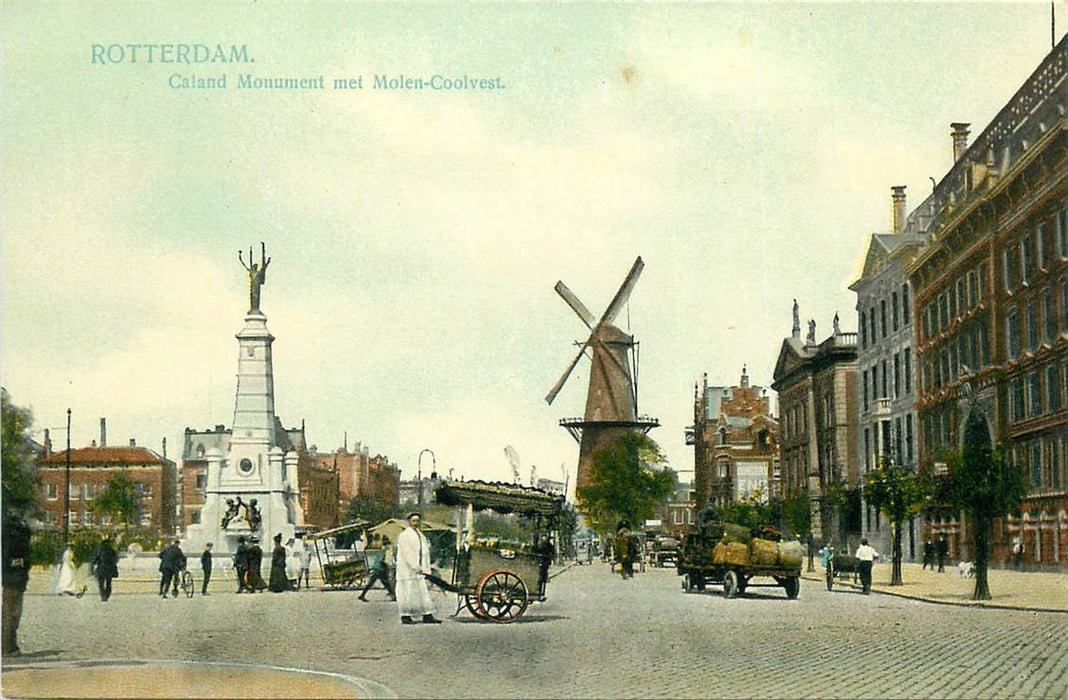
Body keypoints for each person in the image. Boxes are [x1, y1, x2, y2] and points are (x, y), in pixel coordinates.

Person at [395, 513, 440, 624]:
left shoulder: (420, 535)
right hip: (408, 570)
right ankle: (405, 616)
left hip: (419, 570)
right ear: (409, 522)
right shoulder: (405, 535)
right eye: (414, 521)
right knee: (407, 593)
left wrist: (425, 567)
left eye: (418, 521)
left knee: (422, 592)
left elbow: (424, 552)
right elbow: (407, 553)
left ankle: (427, 615)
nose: (416, 523)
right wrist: (415, 566)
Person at [2, 511, 32, 656]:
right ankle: (7, 647)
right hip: (13, 578)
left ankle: (9, 645)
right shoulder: (12, 538)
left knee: (13, 614)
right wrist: (22, 563)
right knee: (11, 613)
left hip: (16, 578)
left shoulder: (11, 534)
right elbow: (9, 560)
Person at [358, 535, 396, 602]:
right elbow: (384, 560)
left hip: (378, 568)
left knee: (384, 583)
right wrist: (387, 566)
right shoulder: (386, 551)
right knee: (384, 583)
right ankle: (362, 595)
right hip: (380, 568)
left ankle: (362, 595)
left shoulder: (381, 550)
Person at [92, 537, 119, 602]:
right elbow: (115, 559)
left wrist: (95, 563)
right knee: (108, 583)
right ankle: (107, 595)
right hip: (109, 569)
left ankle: (102, 595)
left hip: (101, 568)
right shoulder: (112, 550)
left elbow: (96, 558)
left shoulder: (99, 549)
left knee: (101, 583)